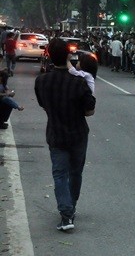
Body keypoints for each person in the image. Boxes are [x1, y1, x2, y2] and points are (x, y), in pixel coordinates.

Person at [34, 38, 96, 231]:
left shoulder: (42, 81)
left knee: (59, 174)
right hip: (78, 133)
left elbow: (43, 104)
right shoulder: (78, 82)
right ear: (69, 55)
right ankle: (71, 207)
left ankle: (66, 213)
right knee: (75, 172)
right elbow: (89, 110)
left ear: (49, 56)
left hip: (56, 133)